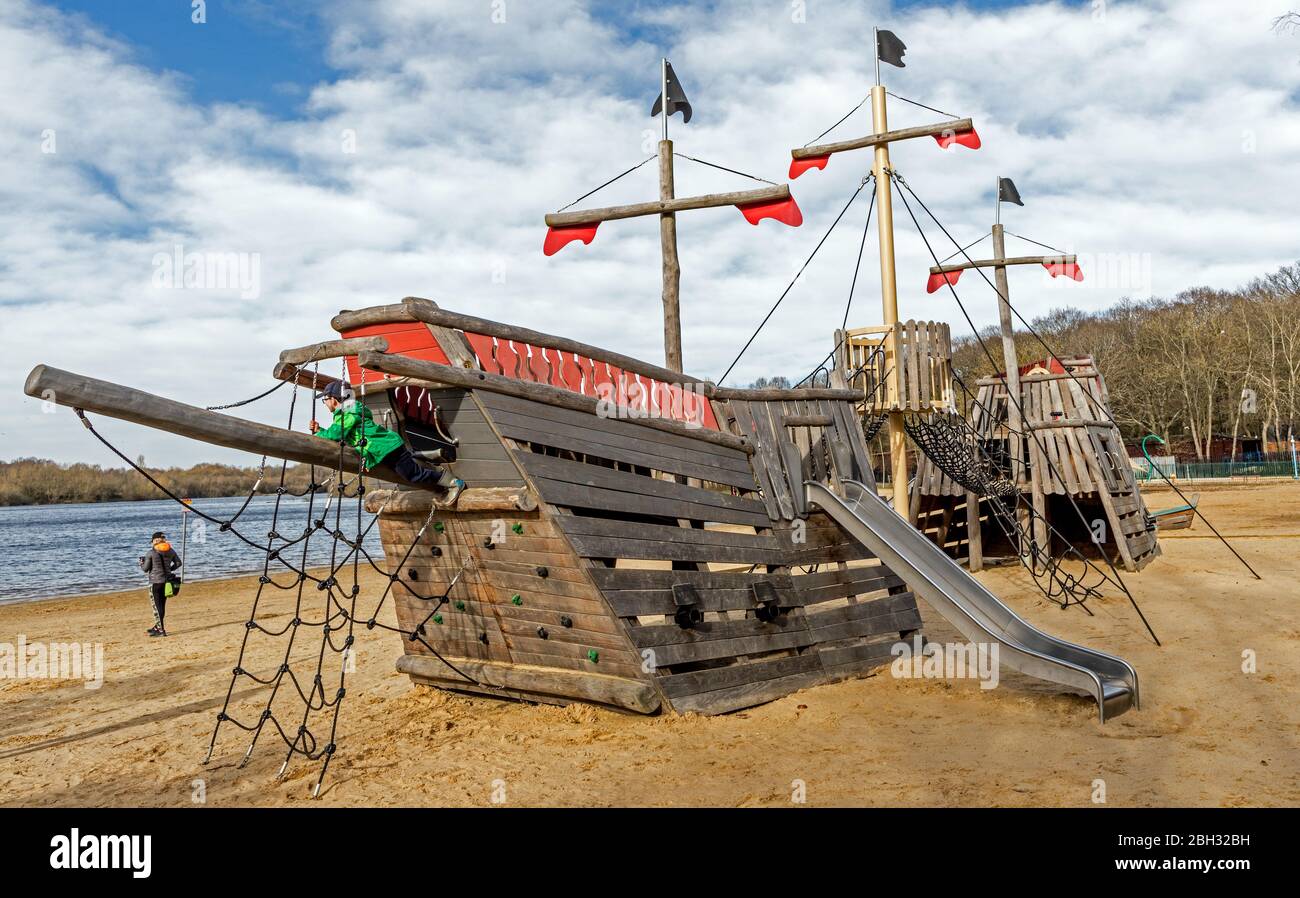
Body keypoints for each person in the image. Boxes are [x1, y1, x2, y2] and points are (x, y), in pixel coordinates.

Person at [311, 380, 465, 503]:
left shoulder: (348, 413)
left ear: (333, 399)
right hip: (384, 449)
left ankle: (453, 482)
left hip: (387, 448)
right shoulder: (349, 411)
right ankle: (431, 472)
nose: (324, 403)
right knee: (405, 473)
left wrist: (319, 432)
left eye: (324, 399)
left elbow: (337, 434)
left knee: (412, 475)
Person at [139, 532, 181, 637]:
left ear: (155, 541)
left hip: (155, 583)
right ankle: (157, 627)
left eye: (152, 541)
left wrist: (141, 563)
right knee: (162, 606)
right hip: (166, 582)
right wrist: (169, 570)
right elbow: (178, 563)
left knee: (157, 608)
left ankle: (161, 630)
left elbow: (145, 569)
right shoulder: (170, 551)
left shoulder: (151, 553)